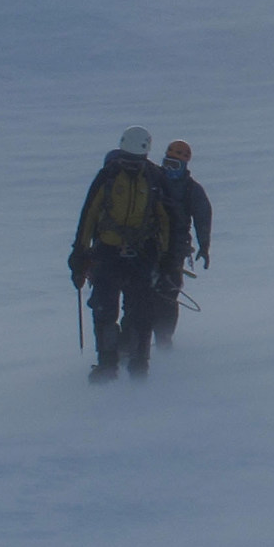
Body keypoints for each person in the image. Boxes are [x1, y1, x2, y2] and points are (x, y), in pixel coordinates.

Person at [69, 126, 172, 381]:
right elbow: (89, 217)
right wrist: (79, 257)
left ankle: (130, 364)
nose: (131, 165)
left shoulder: (146, 178)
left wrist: (80, 257)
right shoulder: (114, 177)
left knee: (137, 311)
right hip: (114, 254)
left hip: (133, 254)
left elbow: (166, 220)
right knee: (112, 309)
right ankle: (114, 364)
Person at [153, 139, 213, 349]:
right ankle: (134, 344)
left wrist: (204, 245)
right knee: (142, 295)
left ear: (185, 165)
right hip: (148, 246)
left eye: (175, 164)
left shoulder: (191, 190)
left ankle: (163, 340)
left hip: (174, 249)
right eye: (167, 163)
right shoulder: (152, 179)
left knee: (168, 296)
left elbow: (202, 216)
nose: (169, 169)